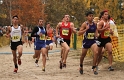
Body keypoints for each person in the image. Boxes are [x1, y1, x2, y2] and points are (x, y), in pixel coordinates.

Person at [77, 11, 99, 75]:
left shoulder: (95, 24)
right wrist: (86, 29)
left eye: (92, 16)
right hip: (86, 41)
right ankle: (81, 66)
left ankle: (94, 67)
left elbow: (96, 33)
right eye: (90, 16)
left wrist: (97, 36)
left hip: (93, 41)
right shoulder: (85, 24)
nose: (91, 17)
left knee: (96, 52)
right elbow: (79, 33)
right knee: (83, 55)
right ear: (87, 17)